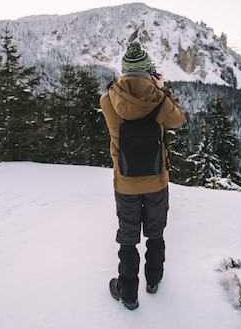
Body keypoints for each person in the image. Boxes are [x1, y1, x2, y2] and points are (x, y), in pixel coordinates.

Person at [100, 41, 186, 310]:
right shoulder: (159, 101)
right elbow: (178, 120)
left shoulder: (107, 100)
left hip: (125, 182)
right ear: (149, 72)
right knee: (155, 232)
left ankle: (127, 293)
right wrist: (163, 90)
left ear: (124, 71)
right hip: (156, 181)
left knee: (128, 236)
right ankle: (153, 280)